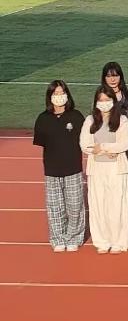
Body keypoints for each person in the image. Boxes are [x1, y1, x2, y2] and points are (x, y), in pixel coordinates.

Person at [35, 81, 87, 252]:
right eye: (55, 94)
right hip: (52, 170)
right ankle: (57, 238)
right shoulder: (43, 119)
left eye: (61, 93)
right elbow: (42, 142)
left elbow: (85, 139)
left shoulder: (76, 116)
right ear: (50, 97)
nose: (59, 97)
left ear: (67, 95)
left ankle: (74, 237)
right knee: (55, 206)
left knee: (75, 205)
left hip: (73, 168)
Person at [80, 87, 128, 254]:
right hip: (96, 169)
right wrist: (108, 150)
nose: (104, 103)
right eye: (101, 100)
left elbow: (124, 144)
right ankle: (102, 241)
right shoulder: (90, 120)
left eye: (107, 100)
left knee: (117, 204)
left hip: (116, 169)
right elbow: (85, 145)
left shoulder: (122, 120)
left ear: (113, 101)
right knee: (98, 205)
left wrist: (102, 147)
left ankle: (119, 241)